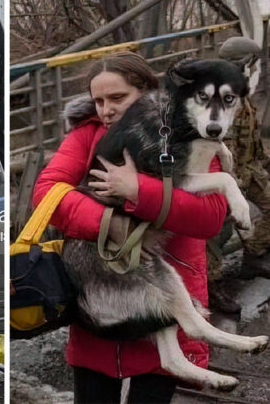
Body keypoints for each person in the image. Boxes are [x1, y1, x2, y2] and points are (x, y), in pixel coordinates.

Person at [32, 52, 229, 404]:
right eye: (98, 100)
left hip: (165, 293)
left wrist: (139, 191)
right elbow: (47, 192)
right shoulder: (87, 134)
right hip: (101, 290)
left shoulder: (186, 136)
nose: (106, 109)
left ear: (147, 93)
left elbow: (210, 217)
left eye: (117, 98)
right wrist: (109, 222)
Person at [206, 37, 270, 314]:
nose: (256, 67)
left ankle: (252, 257)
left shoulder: (239, 87)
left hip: (251, 168)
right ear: (244, 62)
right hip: (228, 175)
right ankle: (210, 285)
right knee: (219, 230)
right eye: (253, 61)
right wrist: (230, 183)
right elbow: (218, 142)